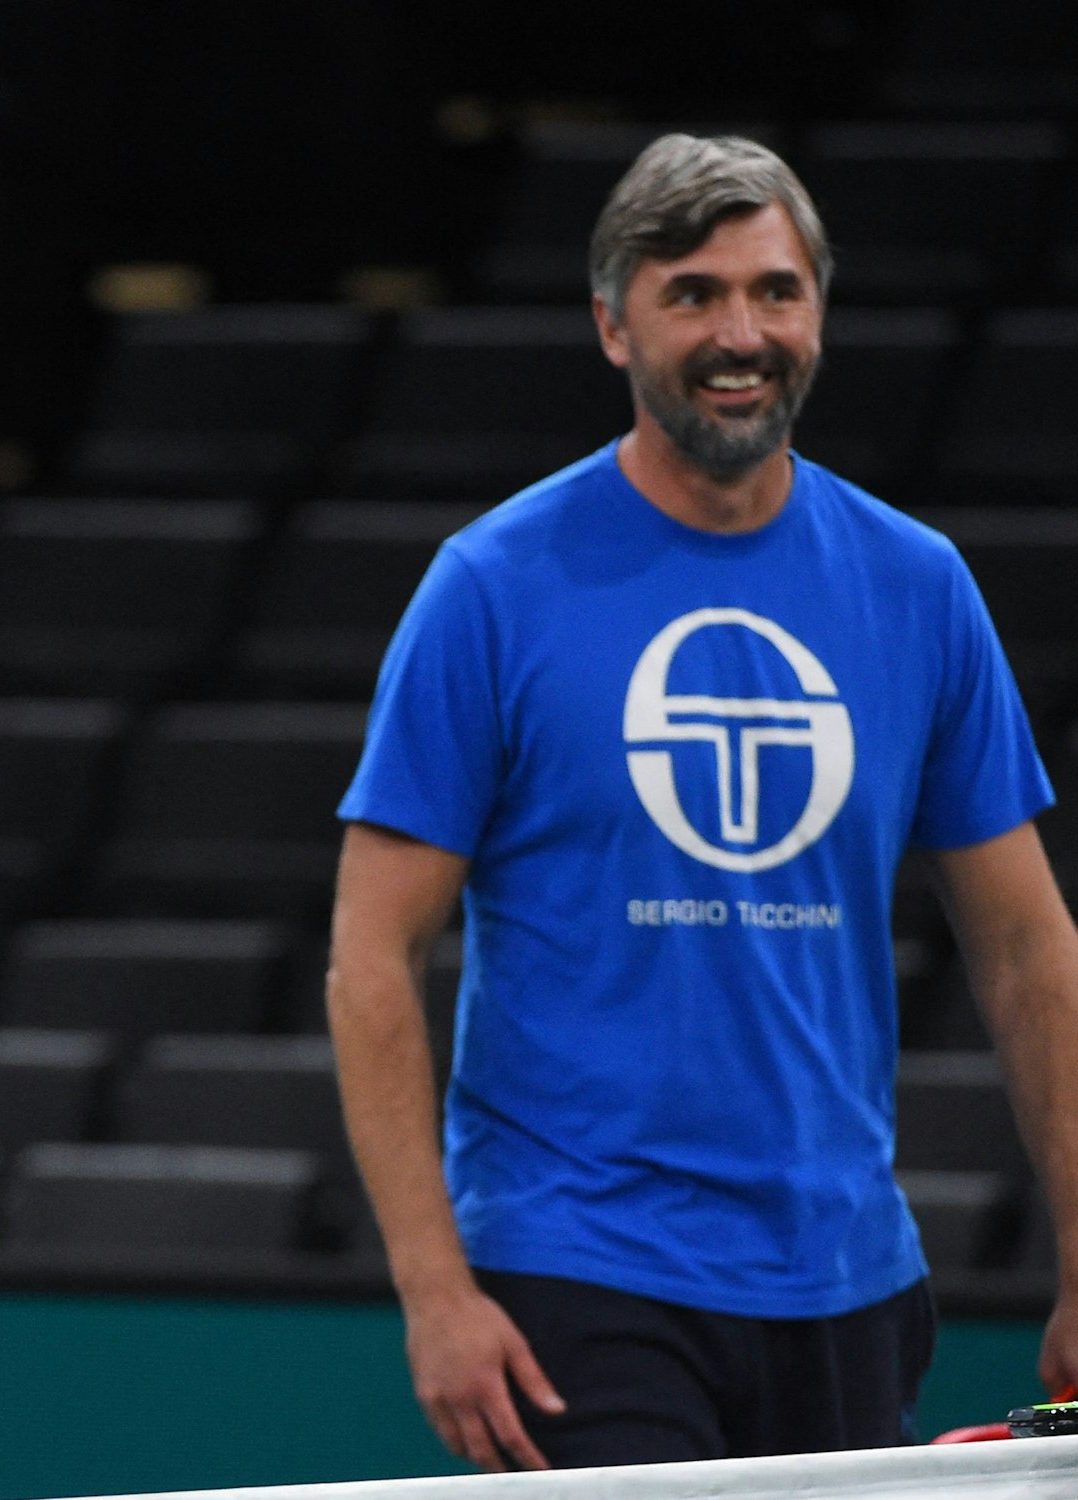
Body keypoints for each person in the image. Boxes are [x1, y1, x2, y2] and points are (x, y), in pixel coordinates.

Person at [328, 133, 1078, 1474]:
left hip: (849, 1276)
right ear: (614, 325)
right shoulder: (492, 588)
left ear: (819, 314)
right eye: (694, 294)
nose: (743, 332)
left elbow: (1029, 954)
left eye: (775, 291)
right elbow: (371, 959)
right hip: (578, 1274)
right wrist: (437, 1293)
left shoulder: (917, 586)